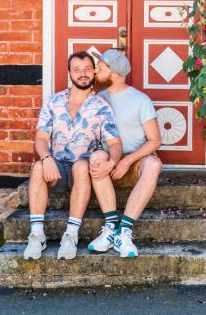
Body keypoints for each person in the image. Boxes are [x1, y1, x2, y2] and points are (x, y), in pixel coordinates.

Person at [23, 51, 122, 261]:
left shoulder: (102, 106)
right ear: (69, 73)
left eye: (87, 69)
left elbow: (114, 142)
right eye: (77, 70)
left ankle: (71, 235)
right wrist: (47, 158)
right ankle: (37, 235)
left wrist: (112, 163)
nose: (82, 74)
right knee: (38, 167)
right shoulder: (53, 102)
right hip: (56, 167)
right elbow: (41, 138)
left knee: (80, 166)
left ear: (94, 72)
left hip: (83, 171)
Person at [87, 49, 163, 258]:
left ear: (115, 74)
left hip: (134, 163)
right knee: (96, 157)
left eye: (100, 68)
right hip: (107, 165)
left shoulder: (140, 100)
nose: (95, 71)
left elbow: (155, 140)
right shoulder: (96, 98)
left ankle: (124, 231)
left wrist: (127, 160)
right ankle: (110, 228)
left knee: (154, 164)